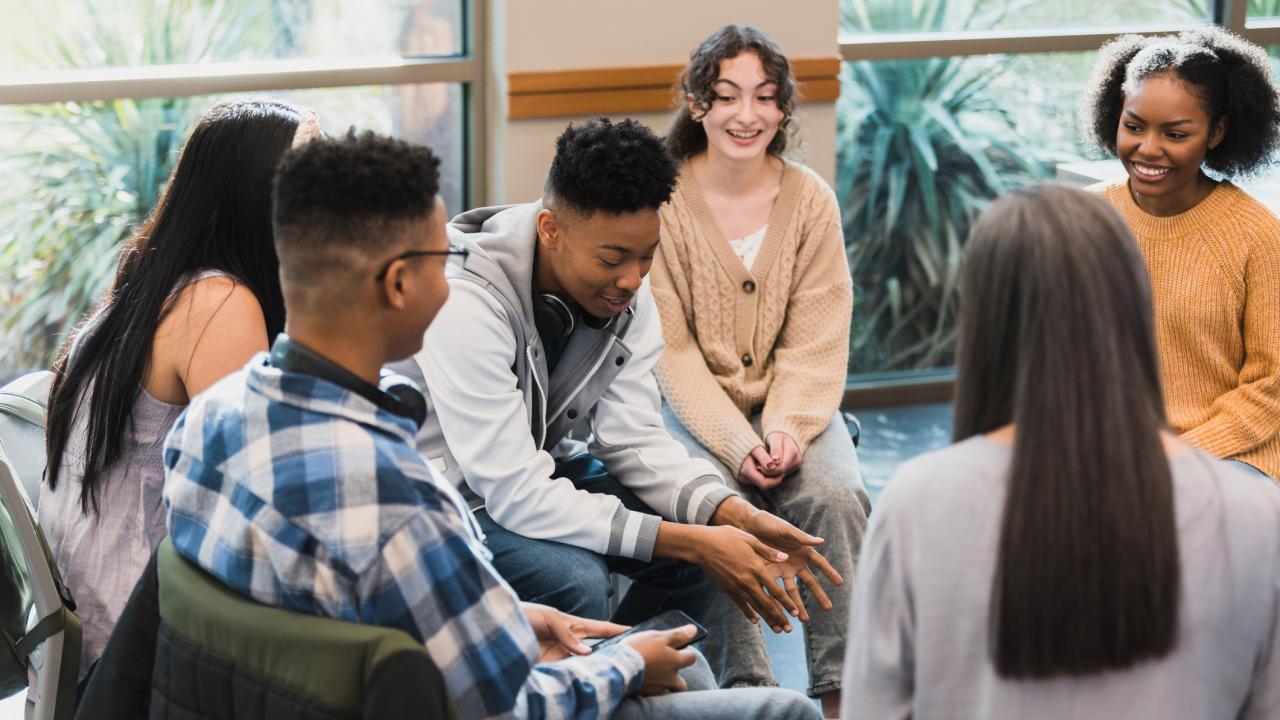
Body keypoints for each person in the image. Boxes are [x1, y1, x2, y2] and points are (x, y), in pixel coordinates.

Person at [162, 130, 821, 720]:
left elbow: (398, 616)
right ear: (399, 282)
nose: (451, 276)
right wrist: (622, 664)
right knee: (787, 710)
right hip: (457, 690)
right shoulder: (411, 504)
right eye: (438, 258)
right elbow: (503, 699)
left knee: (677, 649)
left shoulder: (202, 424)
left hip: (328, 689)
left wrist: (722, 514)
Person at [841, 185, 1280, 719]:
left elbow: (874, 710)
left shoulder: (916, 503)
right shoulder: (1256, 515)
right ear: (1135, 310)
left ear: (984, 323)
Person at [400, 116, 840, 637]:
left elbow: (633, 441)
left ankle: (639, 676)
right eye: (611, 259)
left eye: (646, 256)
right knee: (576, 580)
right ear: (550, 230)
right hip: (441, 499)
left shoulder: (628, 289)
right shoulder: (464, 300)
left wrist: (732, 514)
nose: (631, 280)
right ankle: (604, 677)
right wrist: (694, 541)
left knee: (702, 535)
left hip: (533, 472)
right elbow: (515, 491)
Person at [40, 99, 314, 682]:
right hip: (137, 652)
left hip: (94, 634)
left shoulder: (155, 281)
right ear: (262, 197)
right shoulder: (219, 304)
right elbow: (257, 499)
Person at [653, 25, 869, 713]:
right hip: (692, 410)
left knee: (835, 496)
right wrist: (741, 445)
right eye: (727, 96)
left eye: (765, 98)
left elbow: (817, 339)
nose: (746, 115)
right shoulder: (662, 199)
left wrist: (789, 430)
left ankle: (841, 690)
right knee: (718, 509)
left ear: (783, 110)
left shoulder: (809, 201)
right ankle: (749, 699)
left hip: (796, 408)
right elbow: (672, 352)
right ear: (696, 104)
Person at [1082, 27, 1280, 480]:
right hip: (1110, 448)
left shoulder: (1259, 236)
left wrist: (1173, 457)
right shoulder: (1085, 217)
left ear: (1217, 133)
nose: (1148, 149)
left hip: (1229, 452)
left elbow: (1272, 390)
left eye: (1174, 133)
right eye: (1133, 126)